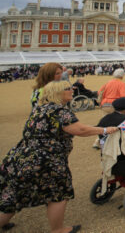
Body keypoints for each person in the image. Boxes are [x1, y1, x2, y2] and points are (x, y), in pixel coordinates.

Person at [0, 81, 118, 233]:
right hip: (45, 162)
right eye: (68, 88)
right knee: (58, 193)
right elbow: (80, 130)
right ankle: (58, 229)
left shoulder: (39, 108)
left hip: (20, 158)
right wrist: (104, 130)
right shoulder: (59, 111)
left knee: (15, 195)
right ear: (57, 92)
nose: (72, 89)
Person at [94, 68, 125, 148]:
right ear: (122, 76)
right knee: (118, 123)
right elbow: (123, 96)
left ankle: (98, 141)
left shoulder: (108, 82)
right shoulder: (121, 84)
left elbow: (99, 92)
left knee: (104, 123)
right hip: (114, 105)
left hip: (105, 104)